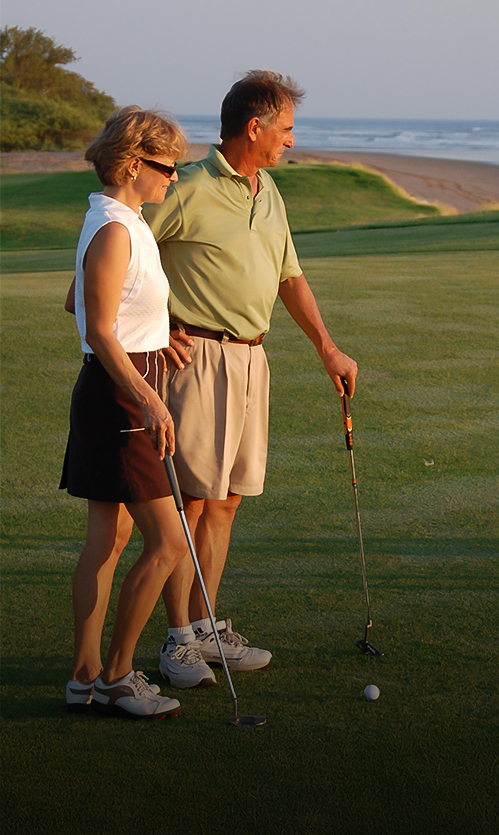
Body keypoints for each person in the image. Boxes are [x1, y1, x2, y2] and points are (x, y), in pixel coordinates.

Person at [142, 71, 357, 688]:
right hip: (196, 360)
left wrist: (328, 348)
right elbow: (122, 262)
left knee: (228, 502)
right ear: (254, 127)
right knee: (190, 504)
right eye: (286, 129)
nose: (292, 140)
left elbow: (289, 276)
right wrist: (157, 330)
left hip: (252, 360)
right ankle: (177, 639)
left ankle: (205, 627)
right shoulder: (187, 189)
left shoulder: (269, 192)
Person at [61, 106, 192, 718]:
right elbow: (100, 328)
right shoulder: (117, 228)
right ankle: (116, 677)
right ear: (135, 164)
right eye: (169, 168)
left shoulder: (113, 220)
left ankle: (84, 677)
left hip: (113, 384)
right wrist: (149, 395)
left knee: (108, 538)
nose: (175, 179)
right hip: (121, 394)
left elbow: (80, 303)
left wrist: (154, 329)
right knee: (167, 543)